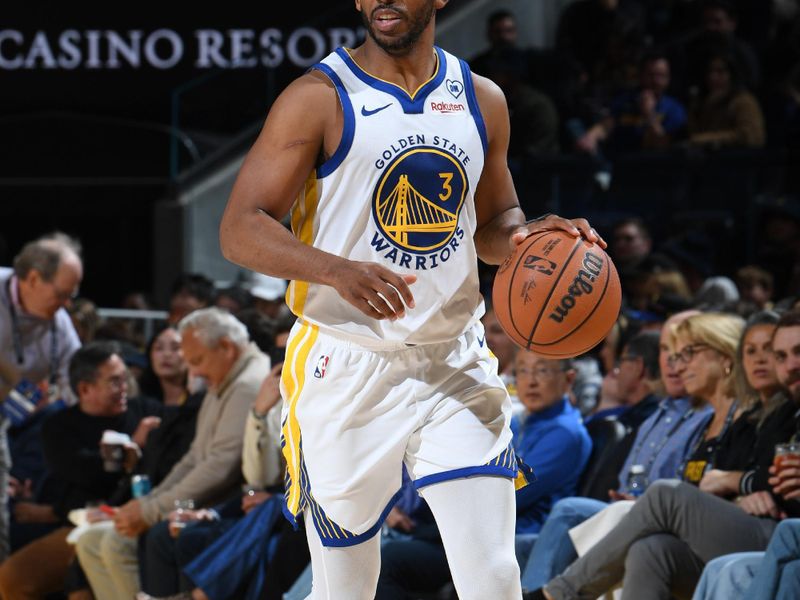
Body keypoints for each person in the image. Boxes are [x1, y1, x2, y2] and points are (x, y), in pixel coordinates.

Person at [218, 1, 604, 598]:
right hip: (345, 361)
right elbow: (240, 227)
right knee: (346, 586)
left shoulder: (483, 99)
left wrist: (531, 241)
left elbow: (495, 221)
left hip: (452, 359)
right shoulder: (318, 97)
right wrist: (336, 270)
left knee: (494, 574)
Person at [528, 311, 800, 600]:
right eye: (780, 355)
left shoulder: (754, 416)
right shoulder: (768, 416)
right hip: (744, 524)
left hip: (774, 528)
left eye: (688, 354)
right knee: (651, 549)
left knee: (655, 496)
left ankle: (557, 593)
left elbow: (758, 480)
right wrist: (746, 485)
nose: (678, 366)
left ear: (724, 357)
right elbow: (754, 478)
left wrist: (739, 483)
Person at [75, 307, 270, 600]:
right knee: (93, 541)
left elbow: (221, 466)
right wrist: (146, 504)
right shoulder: (228, 378)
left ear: (227, 348)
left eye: (198, 361)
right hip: (202, 502)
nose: (195, 372)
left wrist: (150, 511)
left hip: (229, 507)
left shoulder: (246, 385)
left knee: (126, 541)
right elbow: (194, 457)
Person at [0, 342, 162, 599]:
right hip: (79, 524)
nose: (124, 389)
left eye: (125, 380)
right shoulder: (58, 426)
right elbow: (86, 474)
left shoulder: (147, 411)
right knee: (12, 578)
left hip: (137, 519)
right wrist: (133, 450)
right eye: (114, 382)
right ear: (85, 389)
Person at [0, 232, 83, 561]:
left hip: (12, 421)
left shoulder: (59, 322)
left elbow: (77, 384)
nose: (67, 304)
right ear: (33, 278)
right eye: (62, 294)